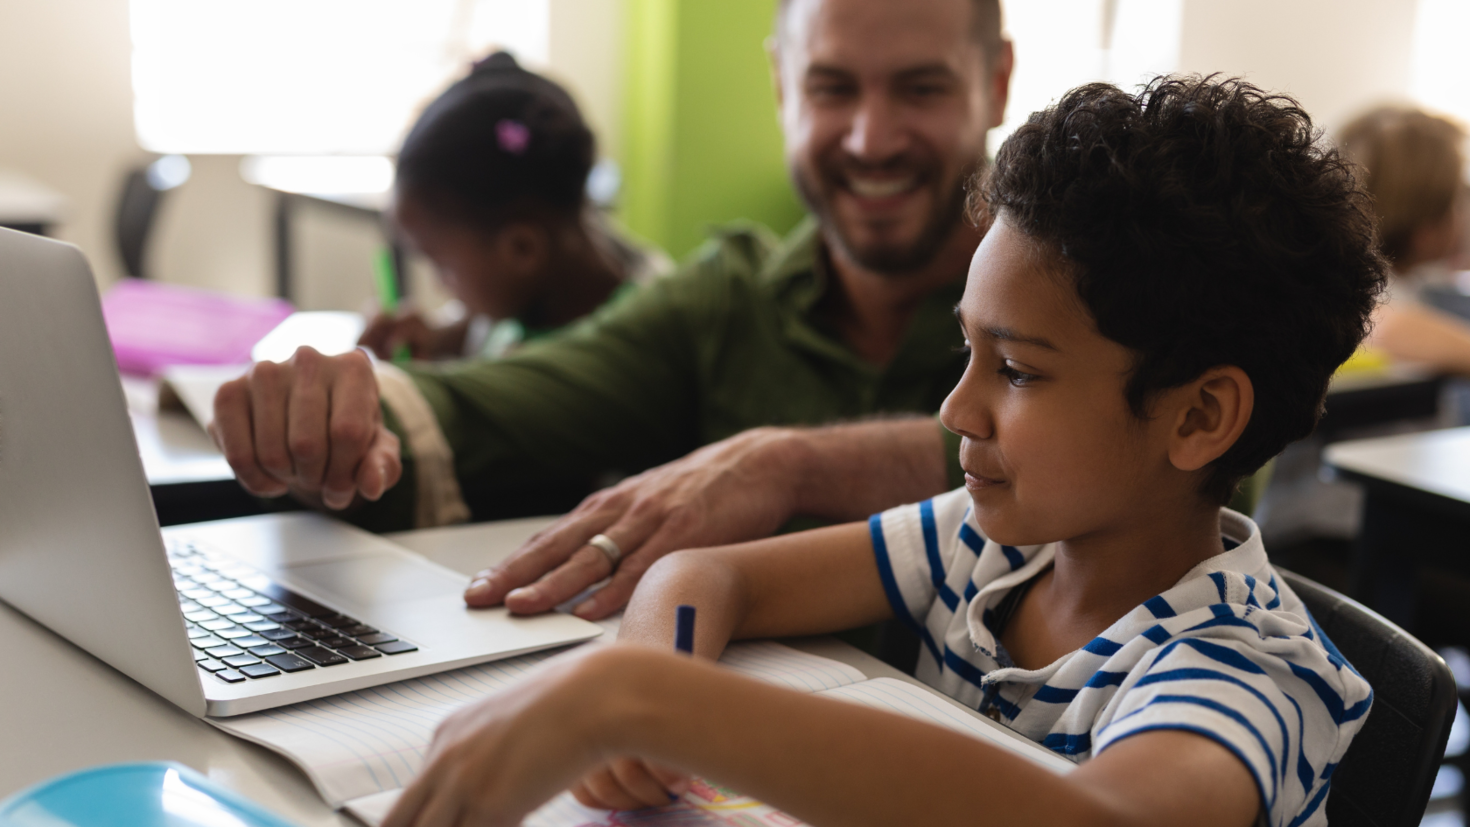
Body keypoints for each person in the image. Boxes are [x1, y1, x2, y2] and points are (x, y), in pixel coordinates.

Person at [383, 76, 1382, 827]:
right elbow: (708, 572)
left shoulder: (1246, 669)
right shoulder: (989, 546)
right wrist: (653, 666)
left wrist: (637, 697)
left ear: (1200, 417)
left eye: (1020, 372)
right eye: (968, 351)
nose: (957, 408)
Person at [210, 0, 1014, 618]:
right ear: (780, 85)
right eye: (832, 87)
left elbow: (1071, 458)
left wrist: (788, 463)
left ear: (997, 83)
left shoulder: (1088, 304)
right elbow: (499, 404)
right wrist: (338, 414)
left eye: (921, 87)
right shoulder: (723, 299)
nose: (871, 139)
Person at [359, 51, 669, 363]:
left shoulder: (631, 354)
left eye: (443, 266)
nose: (440, 287)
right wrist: (438, 336)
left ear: (522, 249)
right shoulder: (544, 282)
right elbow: (484, 324)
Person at [1338, 105, 1470, 373]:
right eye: (1459, 196)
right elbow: (1377, 325)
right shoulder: (1365, 297)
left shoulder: (1417, 281)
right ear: (1427, 228)